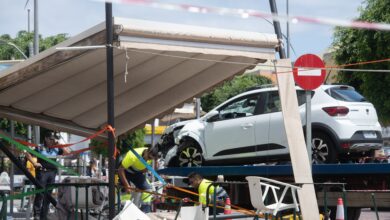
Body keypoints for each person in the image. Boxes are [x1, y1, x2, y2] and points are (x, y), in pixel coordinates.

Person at [26, 131, 68, 220]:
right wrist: (34, 163)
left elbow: (66, 152)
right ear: (45, 138)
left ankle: (44, 215)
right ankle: (36, 214)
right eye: (51, 139)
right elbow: (27, 154)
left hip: (52, 173)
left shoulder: (56, 148)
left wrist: (59, 143)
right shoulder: (40, 147)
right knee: (40, 193)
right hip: (42, 172)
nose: (52, 141)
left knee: (48, 195)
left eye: (53, 139)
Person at [117, 146, 159, 213]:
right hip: (124, 171)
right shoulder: (132, 155)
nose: (149, 160)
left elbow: (144, 170)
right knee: (126, 191)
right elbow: (120, 170)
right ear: (147, 151)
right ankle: (121, 211)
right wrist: (127, 186)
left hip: (137, 173)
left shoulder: (151, 158)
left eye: (151, 159)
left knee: (148, 190)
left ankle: (145, 213)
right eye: (149, 157)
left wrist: (138, 185)